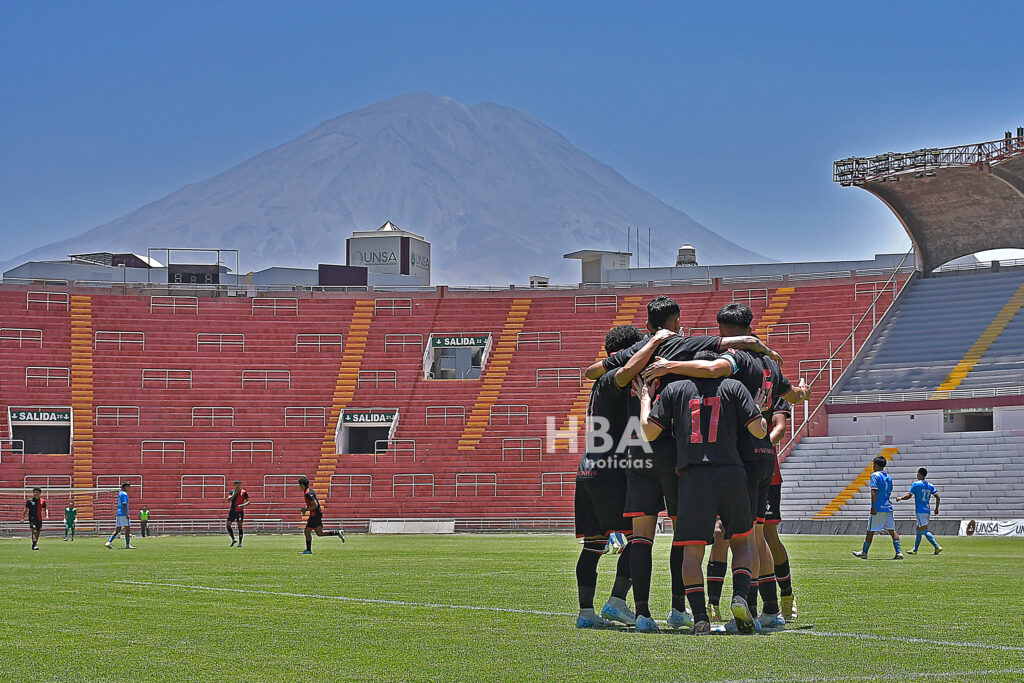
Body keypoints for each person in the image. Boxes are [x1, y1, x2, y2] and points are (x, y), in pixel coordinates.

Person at [641, 303, 809, 630]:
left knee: (740, 539)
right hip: (765, 459)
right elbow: (792, 396)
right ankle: (770, 609)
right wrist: (802, 392)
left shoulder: (735, 360)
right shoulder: (771, 367)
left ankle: (743, 608)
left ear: (727, 333)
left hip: (735, 457)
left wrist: (667, 368)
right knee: (757, 535)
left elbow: (714, 370)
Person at [640, 353, 769, 635]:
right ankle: (739, 596)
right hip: (731, 472)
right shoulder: (735, 387)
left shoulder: (675, 389)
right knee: (742, 543)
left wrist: (644, 399)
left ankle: (700, 616)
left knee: (692, 550)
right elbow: (759, 432)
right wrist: (758, 411)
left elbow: (649, 432)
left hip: (693, 476)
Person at [573, 324, 673, 629]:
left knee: (593, 545)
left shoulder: (602, 380)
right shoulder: (616, 379)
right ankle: (617, 601)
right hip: (612, 470)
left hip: (589, 466)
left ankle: (586, 614)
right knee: (638, 539)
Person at [763, 398, 798, 621]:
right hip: (734, 471)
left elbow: (780, 427)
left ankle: (786, 595)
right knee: (727, 535)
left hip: (766, 473)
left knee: (768, 535)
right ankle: (716, 603)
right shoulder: (734, 383)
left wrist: (757, 449)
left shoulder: (774, 391)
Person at [852, 456, 903, 560]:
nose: (873, 467)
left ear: (876, 465)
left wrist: (873, 506)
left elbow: (874, 491)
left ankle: (864, 552)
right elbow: (889, 492)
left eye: (874, 464)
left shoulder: (875, 475)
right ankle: (899, 552)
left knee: (870, 530)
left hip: (878, 507)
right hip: (888, 507)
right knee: (892, 530)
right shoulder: (889, 477)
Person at [898, 468, 942, 555]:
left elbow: (909, 496)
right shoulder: (930, 485)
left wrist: (900, 498)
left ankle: (937, 546)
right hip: (927, 510)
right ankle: (915, 550)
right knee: (918, 529)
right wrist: (936, 508)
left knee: (924, 530)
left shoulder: (916, 484)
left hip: (920, 510)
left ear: (920, 474)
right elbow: (937, 497)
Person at [298, 476, 344, 553]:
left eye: (299, 485)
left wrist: (305, 509)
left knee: (307, 531)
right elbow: (312, 504)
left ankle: (308, 550)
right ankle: (338, 532)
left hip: (314, 515)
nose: (299, 487)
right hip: (317, 514)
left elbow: (315, 505)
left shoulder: (308, 493)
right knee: (320, 533)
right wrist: (306, 509)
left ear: (302, 485)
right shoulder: (309, 491)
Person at [105, 482, 136, 549]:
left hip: (118, 514)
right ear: (125, 487)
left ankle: (108, 542)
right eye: (128, 486)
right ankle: (127, 545)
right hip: (123, 514)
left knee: (118, 529)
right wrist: (127, 513)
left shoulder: (120, 493)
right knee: (127, 529)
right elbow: (124, 504)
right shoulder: (124, 494)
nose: (129, 488)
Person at [226, 480, 249, 547]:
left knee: (240, 526)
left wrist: (242, 505)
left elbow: (248, 502)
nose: (238, 485)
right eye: (237, 484)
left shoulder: (244, 492)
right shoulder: (232, 492)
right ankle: (233, 539)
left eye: (239, 484)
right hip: (232, 511)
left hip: (240, 511)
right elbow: (229, 499)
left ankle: (240, 543)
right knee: (228, 525)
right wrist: (235, 494)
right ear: (235, 485)